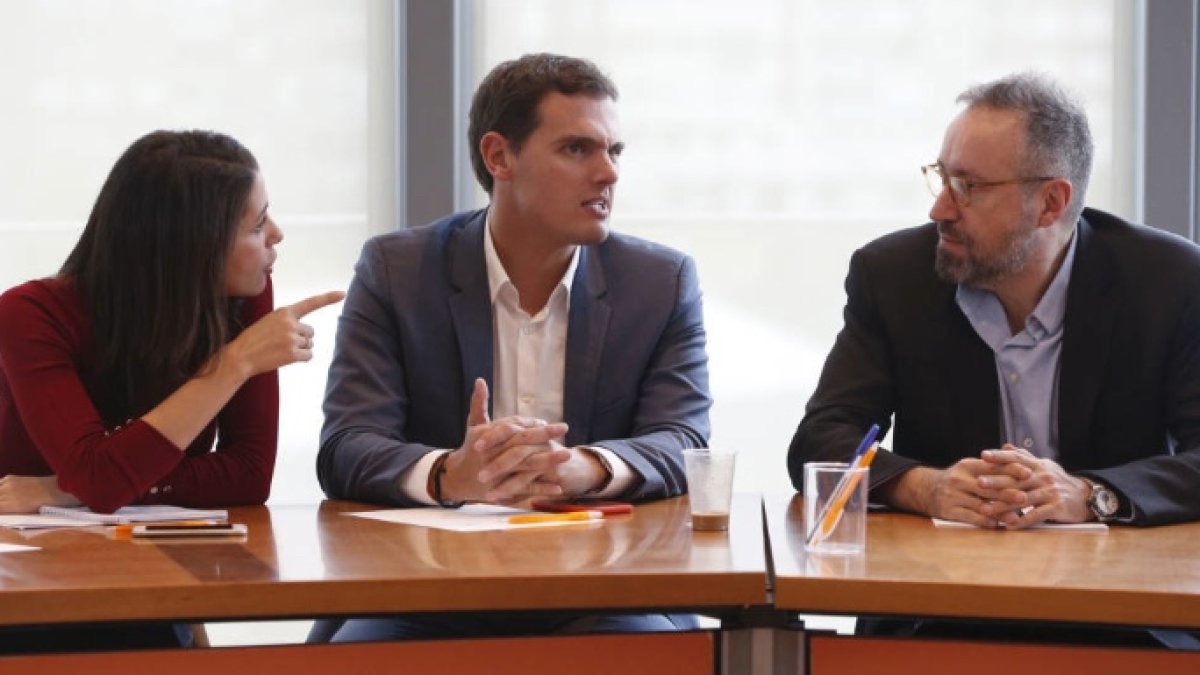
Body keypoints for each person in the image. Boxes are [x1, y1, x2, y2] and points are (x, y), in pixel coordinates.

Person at [788, 73, 1200, 646]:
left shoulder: (1169, 282)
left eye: (968, 187)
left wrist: (1090, 496)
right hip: (938, 613)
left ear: (1050, 203)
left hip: (1122, 617)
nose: (940, 208)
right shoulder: (894, 276)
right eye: (941, 177)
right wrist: (926, 487)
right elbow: (820, 441)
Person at [317, 53, 711, 641]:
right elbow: (347, 447)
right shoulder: (397, 271)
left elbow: (683, 440)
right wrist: (453, 474)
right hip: (423, 591)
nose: (608, 173)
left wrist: (581, 468)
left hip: (606, 588)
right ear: (499, 156)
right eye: (577, 149)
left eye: (614, 151)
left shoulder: (659, 282)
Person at [0, 130, 343, 650]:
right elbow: (97, 477)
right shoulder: (31, 315)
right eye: (256, 225)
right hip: (28, 583)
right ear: (193, 247)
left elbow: (247, 475)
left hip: (147, 574)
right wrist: (233, 364)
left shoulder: (240, 296)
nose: (277, 234)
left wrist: (62, 489)